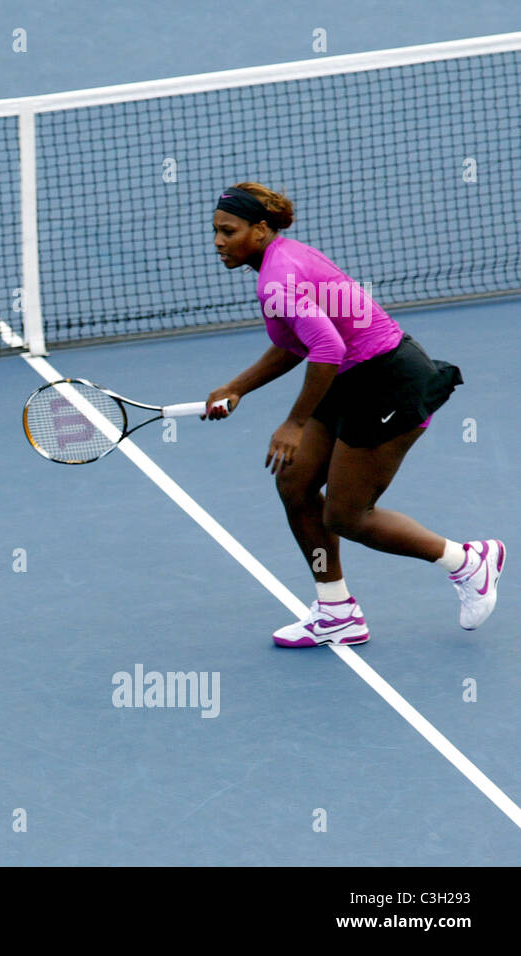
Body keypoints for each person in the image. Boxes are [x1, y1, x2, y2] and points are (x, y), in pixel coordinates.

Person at [205, 182, 502, 647]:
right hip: (349, 377)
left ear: (260, 231)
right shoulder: (281, 260)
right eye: (215, 231)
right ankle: (336, 610)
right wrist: (236, 387)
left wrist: (295, 423)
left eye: (229, 230)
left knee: (348, 515)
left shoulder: (277, 279)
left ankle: (467, 562)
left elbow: (325, 347)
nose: (218, 241)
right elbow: (295, 343)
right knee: (296, 482)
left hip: (387, 383)